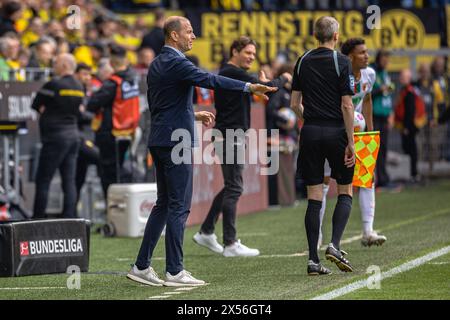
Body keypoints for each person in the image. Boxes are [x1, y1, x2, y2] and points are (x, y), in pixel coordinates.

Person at [126, 16, 276, 287]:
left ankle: (141, 266)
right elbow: (210, 80)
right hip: (177, 142)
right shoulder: (178, 62)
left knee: (162, 205)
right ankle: (174, 271)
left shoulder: (157, 63)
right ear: (174, 36)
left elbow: (161, 105)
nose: (193, 36)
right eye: (189, 31)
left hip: (160, 139)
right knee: (178, 206)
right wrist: (249, 86)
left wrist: (193, 115)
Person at [192, 36, 291, 257]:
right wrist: (283, 78)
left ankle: (207, 231)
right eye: (248, 53)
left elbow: (260, 88)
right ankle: (230, 243)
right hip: (229, 135)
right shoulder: (231, 72)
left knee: (231, 185)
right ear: (234, 51)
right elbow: (266, 87)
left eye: (254, 54)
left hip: (231, 134)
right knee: (234, 186)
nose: (251, 57)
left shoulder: (233, 72)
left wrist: (263, 85)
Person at [291, 16, 355, 275]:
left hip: (310, 132)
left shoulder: (302, 60)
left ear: (315, 35)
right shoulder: (342, 61)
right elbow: (347, 105)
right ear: (336, 36)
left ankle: (312, 260)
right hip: (336, 131)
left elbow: (295, 103)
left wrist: (312, 120)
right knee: (345, 190)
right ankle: (335, 245)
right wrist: (350, 141)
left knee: (314, 196)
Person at [318, 38, 387, 249]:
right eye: (362, 52)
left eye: (367, 52)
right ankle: (317, 234)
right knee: (324, 182)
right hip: (335, 132)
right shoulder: (337, 74)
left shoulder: (370, 74)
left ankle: (368, 231)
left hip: (358, 133)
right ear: (349, 57)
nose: (367, 56)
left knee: (367, 177)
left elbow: (366, 100)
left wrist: (370, 134)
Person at [31, 53, 84, 219]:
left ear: (64, 65)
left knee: (43, 180)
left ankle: (38, 219)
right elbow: (79, 111)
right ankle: (70, 219)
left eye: (55, 63)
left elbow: (35, 105)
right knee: (69, 181)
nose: (53, 66)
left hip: (55, 137)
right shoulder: (79, 86)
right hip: (73, 135)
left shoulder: (53, 84)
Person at [87, 45, 140, 197]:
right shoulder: (132, 79)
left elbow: (92, 103)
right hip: (128, 132)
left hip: (111, 132)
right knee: (121, 170)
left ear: (112, 62)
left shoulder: (113, 83)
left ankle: (113, 212)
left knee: (109, 174)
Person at [74, 63, 100, 203]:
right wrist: (92, 116)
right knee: (101, 159)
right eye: (84, 74)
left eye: (89, 75)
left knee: (80, 178)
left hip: (88, 137)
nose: (87, 78)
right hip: (78, 138)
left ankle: (73, 213)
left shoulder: (88, 92)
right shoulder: (75, 91)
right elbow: (78, 114)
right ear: (76, 74)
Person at [371, 50, 394, 187]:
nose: (386, 62)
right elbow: (368, 94)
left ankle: (383, 177)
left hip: (384, 116)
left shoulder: (385, 73)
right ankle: (376, 179)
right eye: (384, 59)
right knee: (375, 148)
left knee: (383, 148)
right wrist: (380, 90)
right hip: (374, 115)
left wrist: (390, 113)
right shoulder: (372, 72)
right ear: (379, 59)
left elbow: (388, 96)